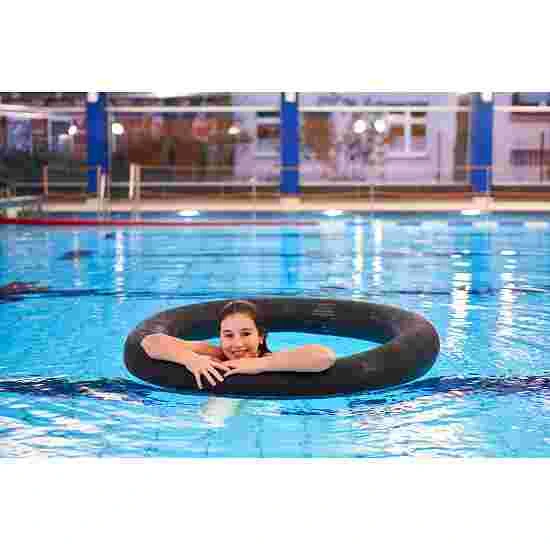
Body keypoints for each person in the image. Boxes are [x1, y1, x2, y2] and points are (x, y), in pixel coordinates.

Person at [141, 299, 337, 390]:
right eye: (228, 335)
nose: (237, 344)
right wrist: (190, 359)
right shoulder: (215, 355)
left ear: (261, 337)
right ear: (220, 336)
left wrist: (258, 364)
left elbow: (324, 356)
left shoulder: (273, 360)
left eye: (246, 334)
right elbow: (151, 342)